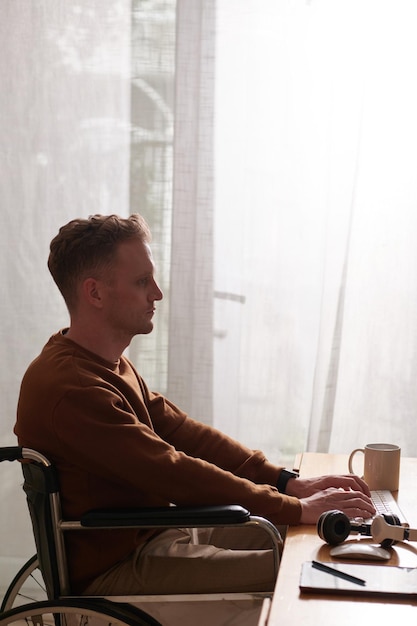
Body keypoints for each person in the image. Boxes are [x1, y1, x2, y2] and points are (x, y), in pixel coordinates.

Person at [14, 214, 375, 606]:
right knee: (299, 569)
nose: (157, 293)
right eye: (141, 281)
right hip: (116, 568)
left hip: (155, 532)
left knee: (312, 538)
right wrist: (293, 507)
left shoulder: (104, 363)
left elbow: (182, 432)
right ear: (95, 293)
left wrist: (285, 481)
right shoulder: (73, 388)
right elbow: (171, 470)